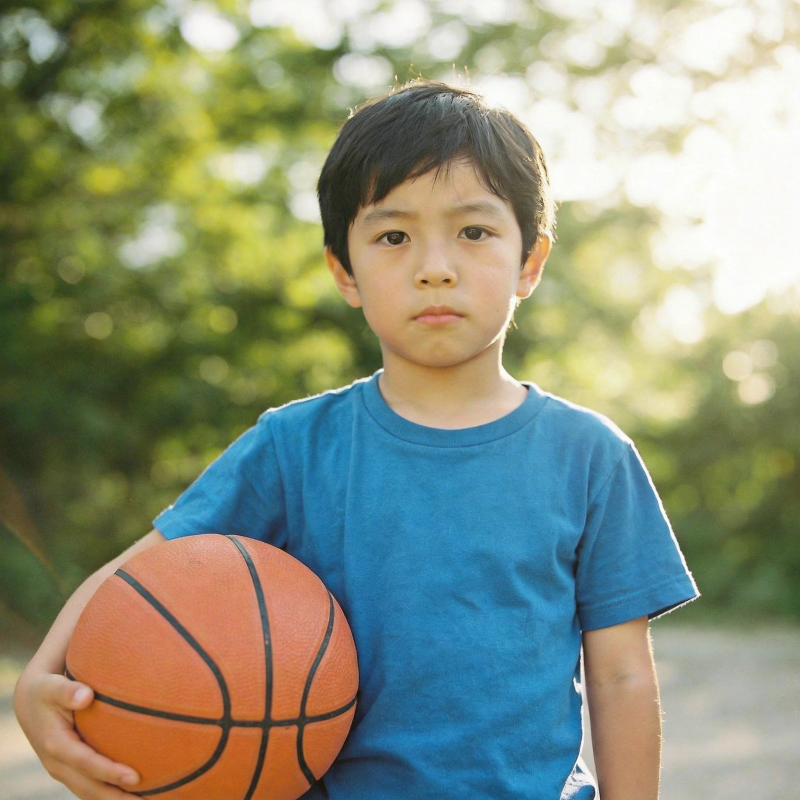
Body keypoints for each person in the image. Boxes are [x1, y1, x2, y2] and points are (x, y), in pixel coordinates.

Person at [15, 80, 698, 800]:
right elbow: (137, 576)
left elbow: (621, 675)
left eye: (474, 231)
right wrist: (42, 676)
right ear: (345, 271)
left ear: (529, 261)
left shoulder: (590, 456)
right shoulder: (293, 446)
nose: (434, 265)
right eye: (393, 236)